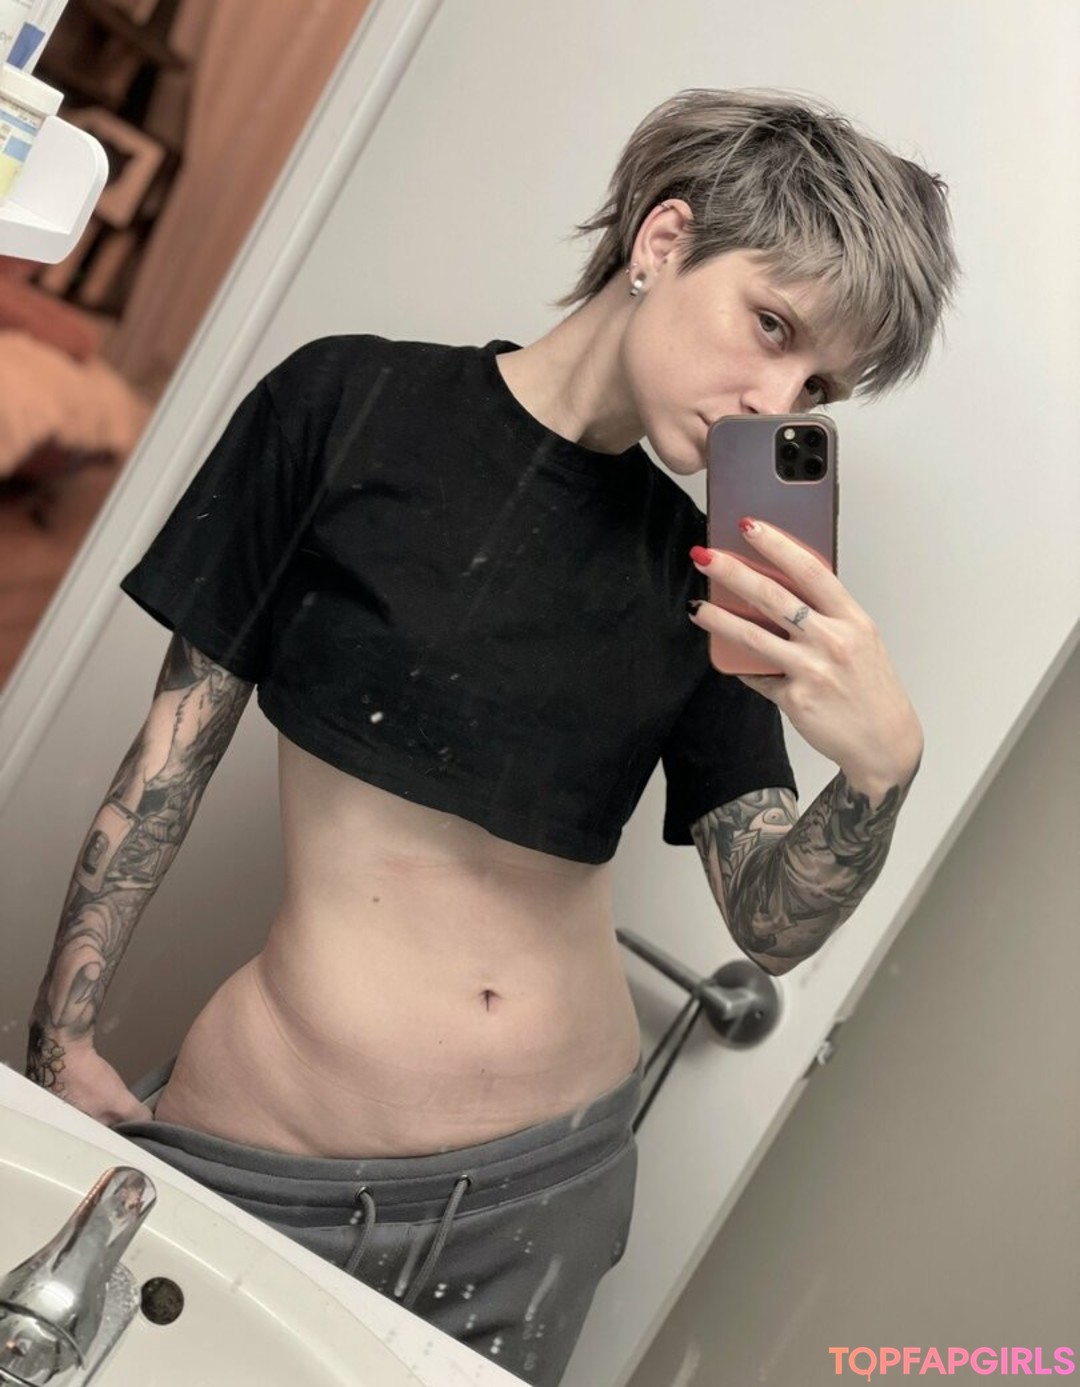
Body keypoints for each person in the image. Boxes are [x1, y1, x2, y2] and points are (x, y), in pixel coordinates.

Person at [25, 88, 960, 1386]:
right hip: (269, 1152)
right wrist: (59, 1038)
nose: (776, 398)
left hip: (540, 1203)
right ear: (664, 240)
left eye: (817, 386)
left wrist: (880, 770)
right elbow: (168, 759)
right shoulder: (346, 403)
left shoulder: (711, 572)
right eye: (772, 324)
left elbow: (770, 920)